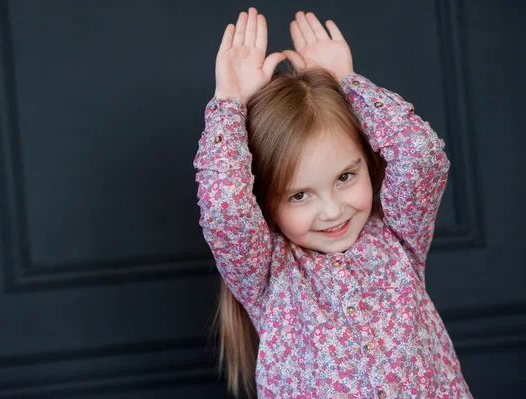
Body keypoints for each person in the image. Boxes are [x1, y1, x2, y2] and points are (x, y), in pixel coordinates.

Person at [194, 7, 473, 398]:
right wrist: (229, 103)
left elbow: (421, 155)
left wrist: (347, 81)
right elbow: (224, 208)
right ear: (265, 203)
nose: (331, 210)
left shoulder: (398, 234)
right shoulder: (268, 272)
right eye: (299, 195)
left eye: (345, 177)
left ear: (367, 160)